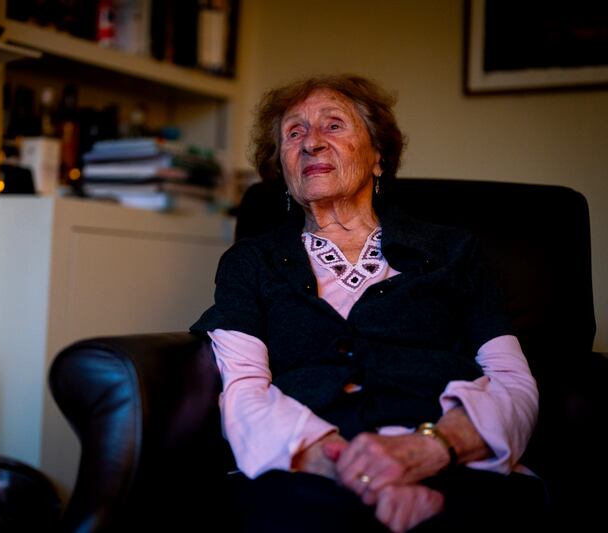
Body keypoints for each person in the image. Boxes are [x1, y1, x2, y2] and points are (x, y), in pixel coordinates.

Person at [191, 74, 546, 532]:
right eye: (294, 132)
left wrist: (427, 452)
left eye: (333, 125)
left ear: (378, 157)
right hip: (308, 469)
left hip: (452, 462)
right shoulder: (250, 263)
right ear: (282, 168)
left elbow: (511, 381)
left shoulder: (453, 252)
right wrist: (357, 472)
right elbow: (243, 391)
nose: (311, 143)